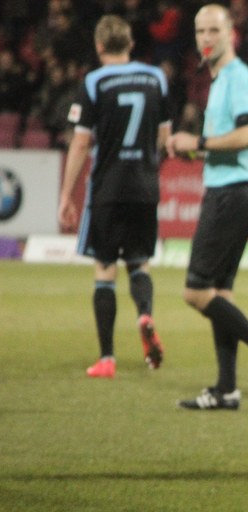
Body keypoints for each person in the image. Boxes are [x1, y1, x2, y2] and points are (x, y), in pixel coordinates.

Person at [166, 4, 248, 410]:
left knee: (195, 291)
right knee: (220, 294)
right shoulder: (220, 80)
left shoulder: (238, 78)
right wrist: (194, 150)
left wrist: (199, 142)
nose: (206, 38)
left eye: (213, 30)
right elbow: (231, 141)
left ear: (231, 33)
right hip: (232, 192)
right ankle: (226, 389)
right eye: (200, 31)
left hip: (231, 195)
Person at [58, 14, 170, 379]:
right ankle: (145, 315)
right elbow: (164, 138)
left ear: (99, 46)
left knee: (105, 270)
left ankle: (107, 358)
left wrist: (66, 194)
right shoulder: (156, 78)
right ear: (131, 44)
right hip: (145, 187)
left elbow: (80, 143)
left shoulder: (94, 82)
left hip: (108, 187)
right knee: (139, 263)